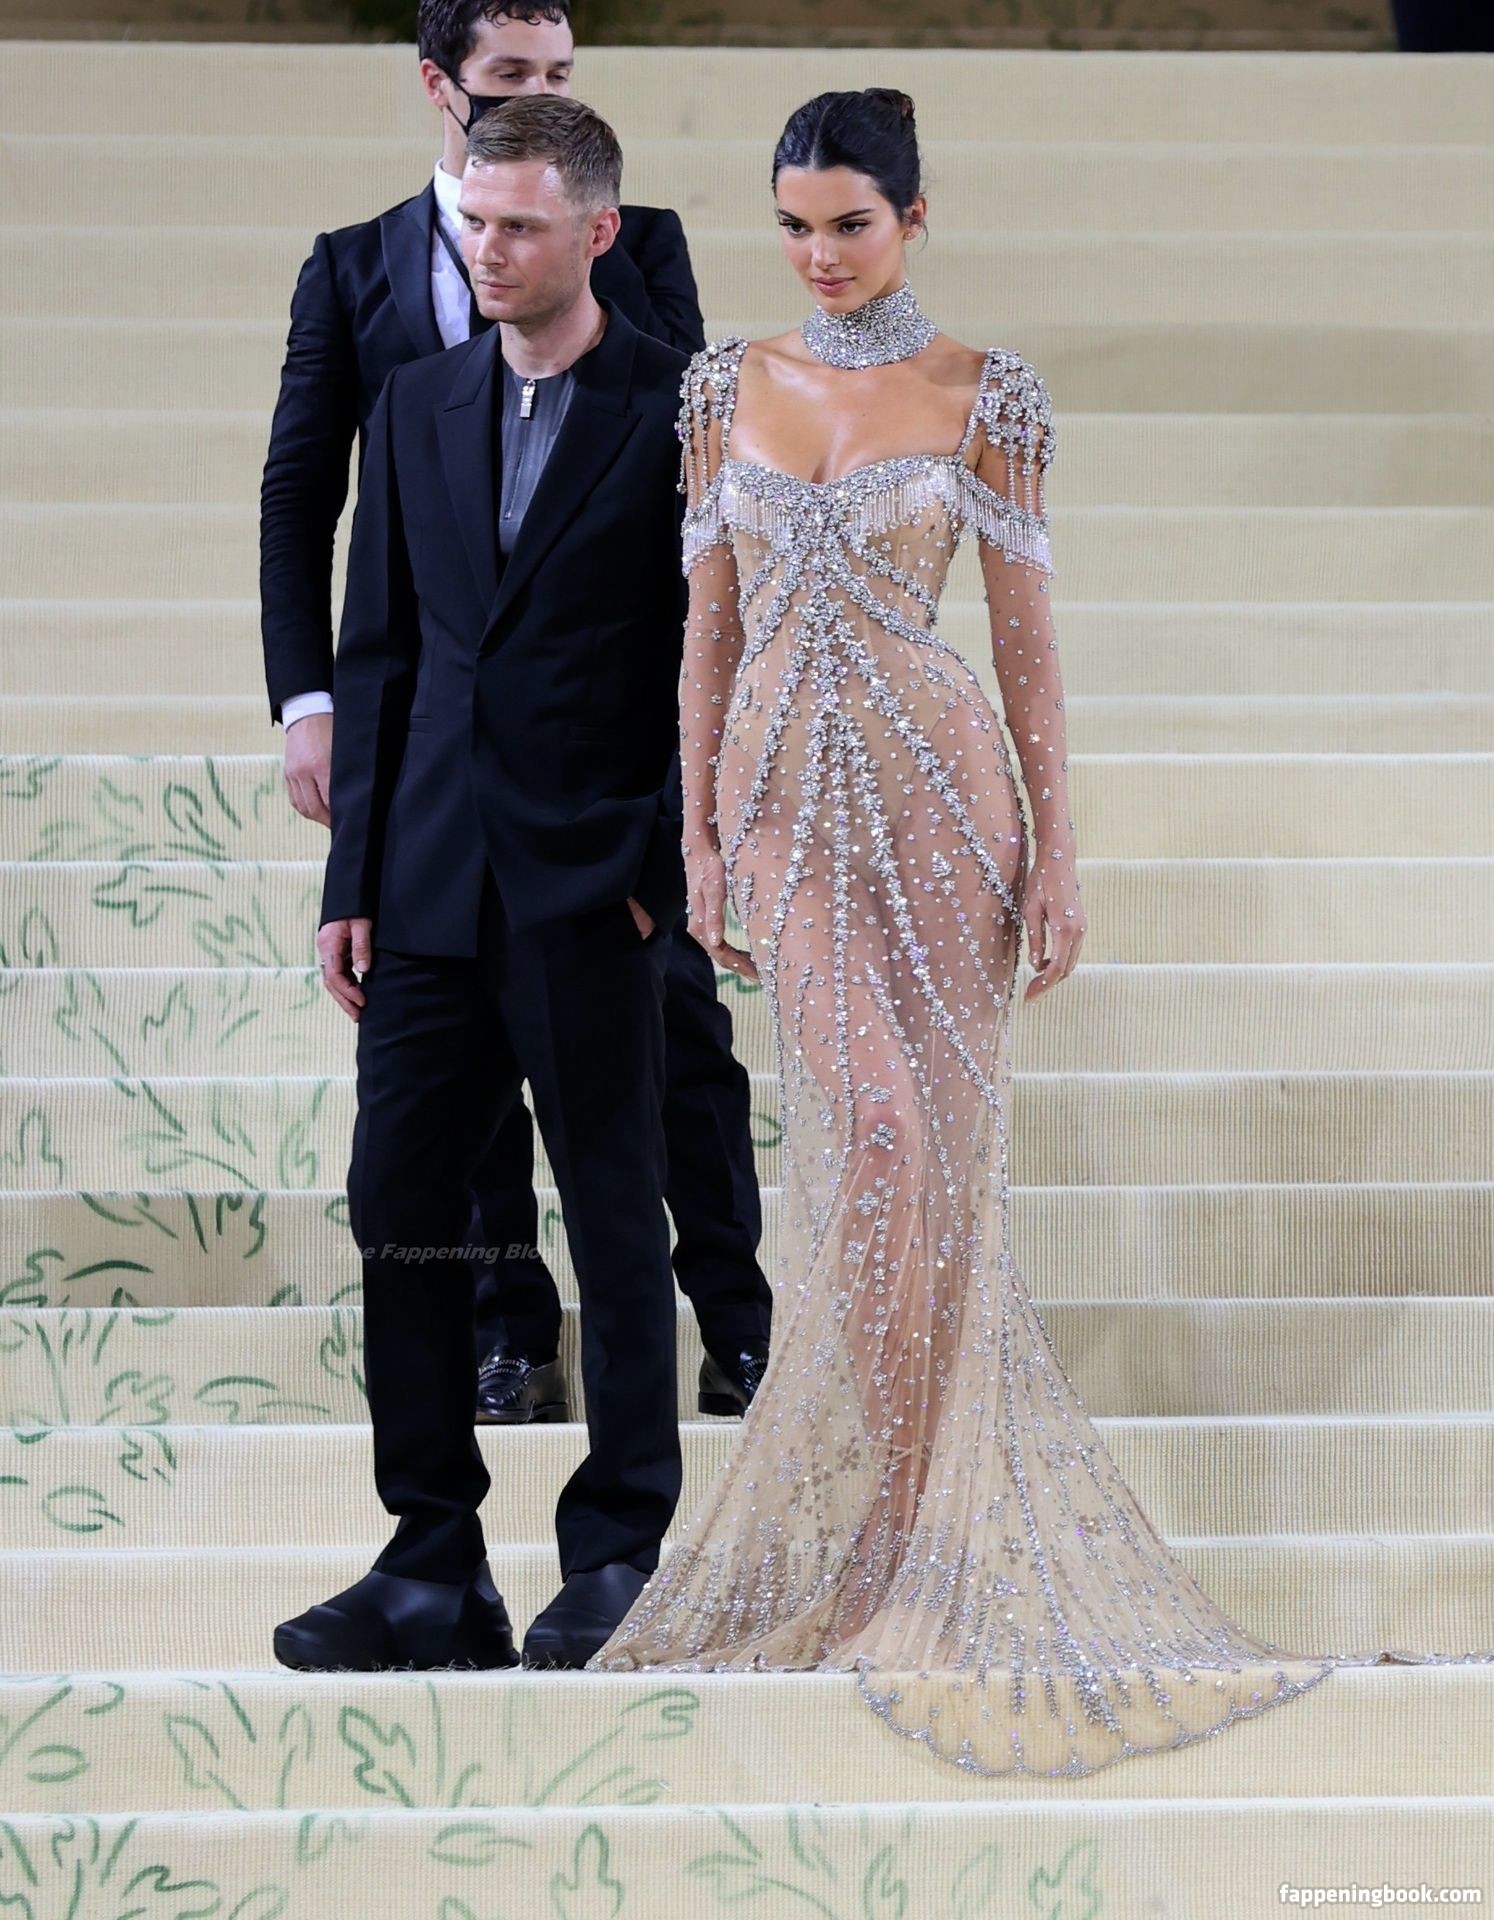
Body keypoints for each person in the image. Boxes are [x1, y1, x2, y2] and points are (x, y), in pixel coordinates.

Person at [589, 86, 1494, 1773]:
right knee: (869, 1142)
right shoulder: (723, 387)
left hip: (944, 803)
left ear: (912, 219)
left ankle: (913, 1550)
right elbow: (703, 634)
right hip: (782, 804)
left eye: (849, 224)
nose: (818, 254)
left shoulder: (982, 391)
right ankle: (876, 1532)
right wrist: (696, 833)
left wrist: (1059, 852)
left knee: (938, 1176)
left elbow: (1024, 645)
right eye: (792, 225)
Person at [258, 0, 770, 1427]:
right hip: (438, 767)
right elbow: (308, 497)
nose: (535, 91)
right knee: (443, 1115)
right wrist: (310, 701)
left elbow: (688, 507)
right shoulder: (355, 266)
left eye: (558, 72)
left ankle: (738, 1323)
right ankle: (505, 1329)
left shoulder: (638, 242)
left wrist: (671, 830)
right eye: (508, 75)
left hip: (601, 780)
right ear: (442, 85)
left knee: (676, 1059)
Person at [273, 95, 699, 1675]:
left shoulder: (679, 407)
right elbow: (380, 652)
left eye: (521, 224)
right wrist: (355, 877)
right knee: (403, 1211)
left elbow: (706, 661)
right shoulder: (415, 402)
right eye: (472, 222)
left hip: (593, 886)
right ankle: (431, 1561)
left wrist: (657, 866)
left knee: (611, 1210)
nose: (488, 251)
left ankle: (619, 1551)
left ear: (597, 230)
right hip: (430, 884)